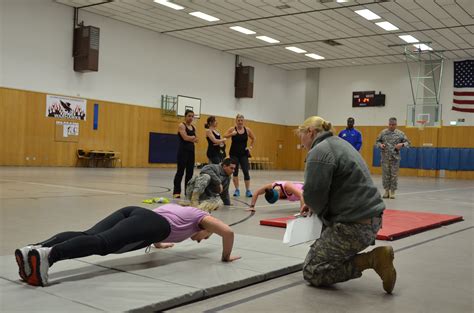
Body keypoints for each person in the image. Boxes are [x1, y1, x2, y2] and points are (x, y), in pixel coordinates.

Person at [14, 203, 240, 287]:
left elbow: (164, 220)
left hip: (135, 211)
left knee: (89, 234)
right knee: (103, 244)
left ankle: (32, 249)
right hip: (152, 223)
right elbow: (228, 232)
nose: (199, 239)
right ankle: (48, 256)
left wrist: (158, 243)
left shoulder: (183, 208)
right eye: (205, 237)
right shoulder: (202, 218)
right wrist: (226, 257)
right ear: (206, 228)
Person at [296, 116, 396, 294]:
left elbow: (313, 194)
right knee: (325, 250)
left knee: (312, 271)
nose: (301, 142)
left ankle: (372, 259)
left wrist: (313, 206)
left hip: (353, 227)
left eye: (301, 136)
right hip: (372, 221)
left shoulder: (319, 151)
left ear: (310, 132)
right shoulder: (341, 144)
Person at [375, 117, 410, 199]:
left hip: (395, 158)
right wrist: (380, 145)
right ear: (388, 124)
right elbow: (377, 142)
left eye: (393, 125)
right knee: (385, 175)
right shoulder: (383, 133)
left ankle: (392, 191)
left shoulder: (400, 133)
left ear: (396, 125)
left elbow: (408, 142)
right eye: (390, 124)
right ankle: (386, 191)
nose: (391, 126)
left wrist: (402, 145)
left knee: (394, 175)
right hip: (385, 158)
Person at [224, 114, 256, 198]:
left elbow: (253, 138)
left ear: (243, 121)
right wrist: (232, 134)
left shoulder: (247, 130)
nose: (240, 122)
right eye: (238, 120)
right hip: (234, 154)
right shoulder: (232, 129)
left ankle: (248, 190)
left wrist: (250, 147)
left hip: (243, 154)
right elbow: (225, 136)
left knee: (246, 171)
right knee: (235, 172)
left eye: (241, 120)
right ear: (236, 121)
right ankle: (237, 189)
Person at [173, 109, 198, 198]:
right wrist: (192, 137)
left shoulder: (194, 127)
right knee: (180, 172)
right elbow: (185, 138)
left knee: (190, 173)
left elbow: (197, 139)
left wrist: (191, 138)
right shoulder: (181, 125)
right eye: (189, 116)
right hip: (183, 151)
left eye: (192, 116)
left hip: (191, 152)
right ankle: (176, 191)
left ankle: (188, 192)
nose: (191, 118)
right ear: (185, 116)